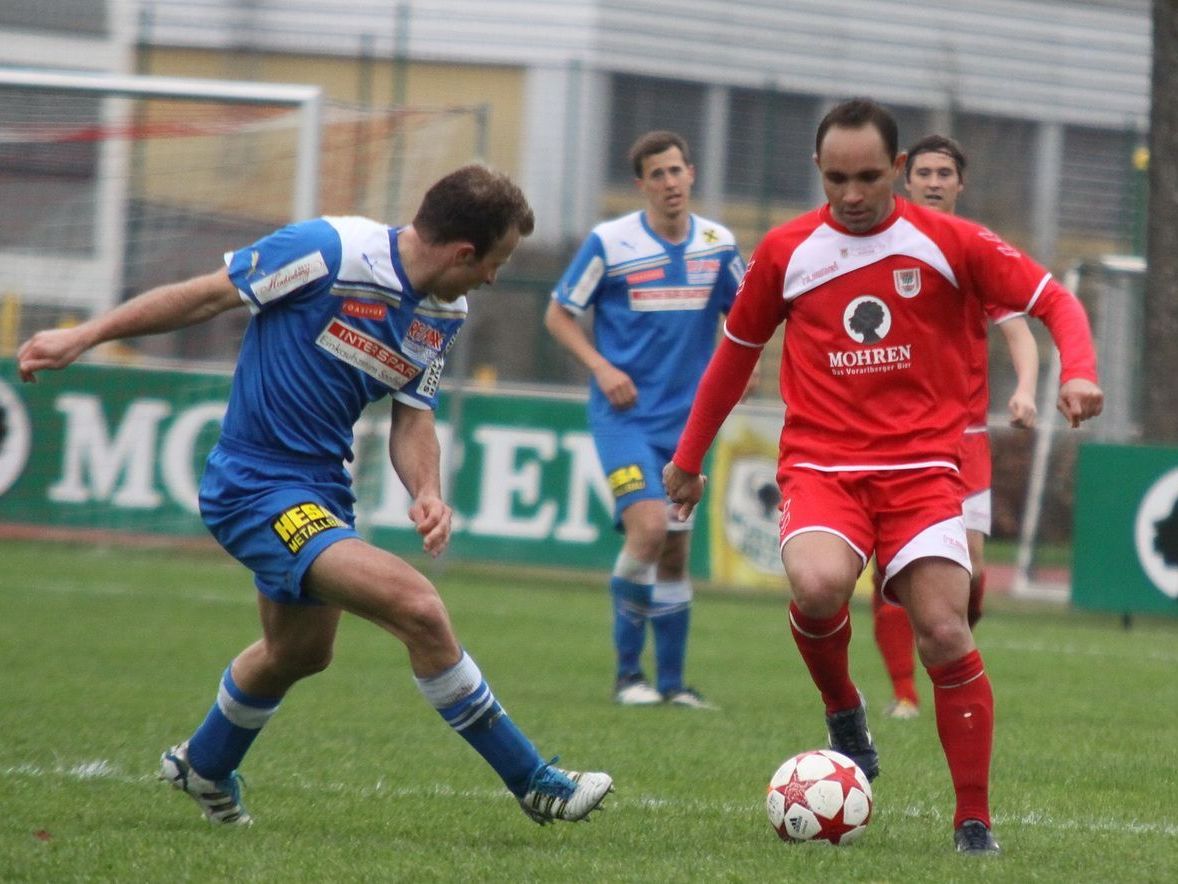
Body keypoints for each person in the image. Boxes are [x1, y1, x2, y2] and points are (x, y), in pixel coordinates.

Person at [17, 165, 613, 827]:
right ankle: (536, 782)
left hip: (323, 491)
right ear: (462, 252)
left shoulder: (445, 310)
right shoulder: (326, 252)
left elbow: (413, 417)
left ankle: (204, 765)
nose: (494, 279)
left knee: (300, 652)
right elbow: (205, 297)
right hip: (254, 486)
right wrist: (83, 335)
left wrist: (428, 491)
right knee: (417, 605)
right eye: (495, 263)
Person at [662, 99, 1103, 854]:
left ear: (897, 169)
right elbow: (733, 356)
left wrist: (1081, 373)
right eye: (838, 178)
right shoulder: (786, 251)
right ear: (818, 172)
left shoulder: (951, 241)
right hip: (823, 469)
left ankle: (973, 820)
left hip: (925, 473)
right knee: (819, 585)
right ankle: (844, 710)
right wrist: (689, 458)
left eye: (869, 177)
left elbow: (1053, 299)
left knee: (944, 628)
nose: (854, 194)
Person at [545, 131, 745, 708]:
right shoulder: (611, 242)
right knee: (650, 530)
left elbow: (745, 316)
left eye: (676, 170)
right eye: (657, 175)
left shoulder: (717, 244)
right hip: (623, 418)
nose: (670, 183)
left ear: (692, 173)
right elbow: (558, 314)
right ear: (642, 185)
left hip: (687, 427)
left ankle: (674, 685)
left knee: (677, 552)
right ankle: (629, 675)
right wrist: (601, 367)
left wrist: (742, 362)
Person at [871, 134, 1041, 720]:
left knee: (965, 576)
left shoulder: (971, 253)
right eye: (925, 172)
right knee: (895, 568)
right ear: (904, 179)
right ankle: (904, 694)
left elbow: (1018, 329)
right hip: (894, 438)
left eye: (946, 172)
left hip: (964, 442)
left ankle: (945, 653)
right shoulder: (876, 248)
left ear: (960, 184)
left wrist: (1024, 389)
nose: (935, 182)